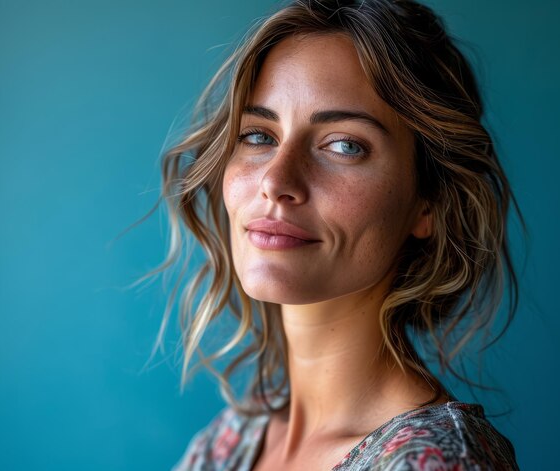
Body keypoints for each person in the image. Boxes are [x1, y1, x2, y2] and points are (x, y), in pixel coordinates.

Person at [157, 0, 521, 469]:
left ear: (427, 202)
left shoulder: (436, 462)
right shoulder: (226, 444)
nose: (276, 181)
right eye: (258, 136)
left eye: (344, 145)